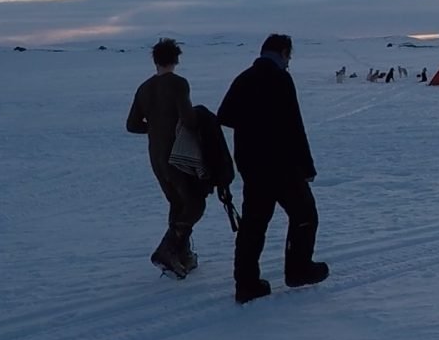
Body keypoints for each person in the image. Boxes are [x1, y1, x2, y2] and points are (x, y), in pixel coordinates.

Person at [217, 34, 328, 303]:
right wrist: (307, 166)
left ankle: (246, 284)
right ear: (283, 52)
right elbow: (294, 126)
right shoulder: (280, 79)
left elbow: (225, 115)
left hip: (251, 165)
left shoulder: (244, 78)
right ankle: (299, 269)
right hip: (283, 165)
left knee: (254, 224)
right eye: (289, 56)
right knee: (305, 215)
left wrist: (252, 125)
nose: (289, 63)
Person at [126, 37, 206, 278]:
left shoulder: (144, 88)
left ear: (155, 60)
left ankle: (182, 256)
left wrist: (154, 128)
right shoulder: (178, 84)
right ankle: (168, 249)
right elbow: (189, 119)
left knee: (177, 203)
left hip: (156, 157)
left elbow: (132, 125)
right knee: (195, 202)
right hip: (178, 155)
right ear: (176, 59)